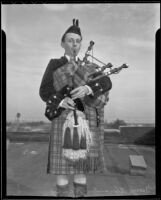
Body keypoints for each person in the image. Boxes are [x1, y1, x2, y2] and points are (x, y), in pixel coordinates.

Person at [39, 19, 112, 197]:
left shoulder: (89, 66)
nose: (74, 44)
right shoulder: (55, 64)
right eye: (70, 40)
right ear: (62, 43)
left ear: (81, 44)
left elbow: (106, 82)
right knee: (62, 173)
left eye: (77, 41)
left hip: (85, 122)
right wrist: (61, 102)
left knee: (81, 171)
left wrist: (88, 88)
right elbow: (44, 90)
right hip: (62, 121)